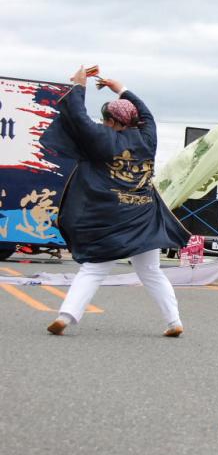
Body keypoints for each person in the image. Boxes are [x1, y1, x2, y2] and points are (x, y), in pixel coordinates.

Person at [41, 68, 191, 337]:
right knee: (152, 271)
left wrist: (78, 86)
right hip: (144, 216)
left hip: (113, 219)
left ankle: (66, 316)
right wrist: (121, 88)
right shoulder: (148, 138)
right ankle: (174, 322)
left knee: (94, 269)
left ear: (110, 120)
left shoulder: (101, 138)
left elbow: (77, 116)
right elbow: (147, 114)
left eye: (105, 118)